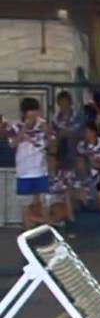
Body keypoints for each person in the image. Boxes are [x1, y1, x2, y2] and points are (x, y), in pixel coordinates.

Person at [8, 98, 50, 228]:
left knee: (43, 201)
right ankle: (28, 229)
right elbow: (12, 144)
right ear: (24, 113)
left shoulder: (43, 124)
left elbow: (52, 142)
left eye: (36, 112)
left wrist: (47, 131)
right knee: (25, 203)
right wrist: (24, 128)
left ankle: (46, 229)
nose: (34, 116)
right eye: (31, 113)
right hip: (24, 171)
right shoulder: (15, 126)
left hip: (40, 169)